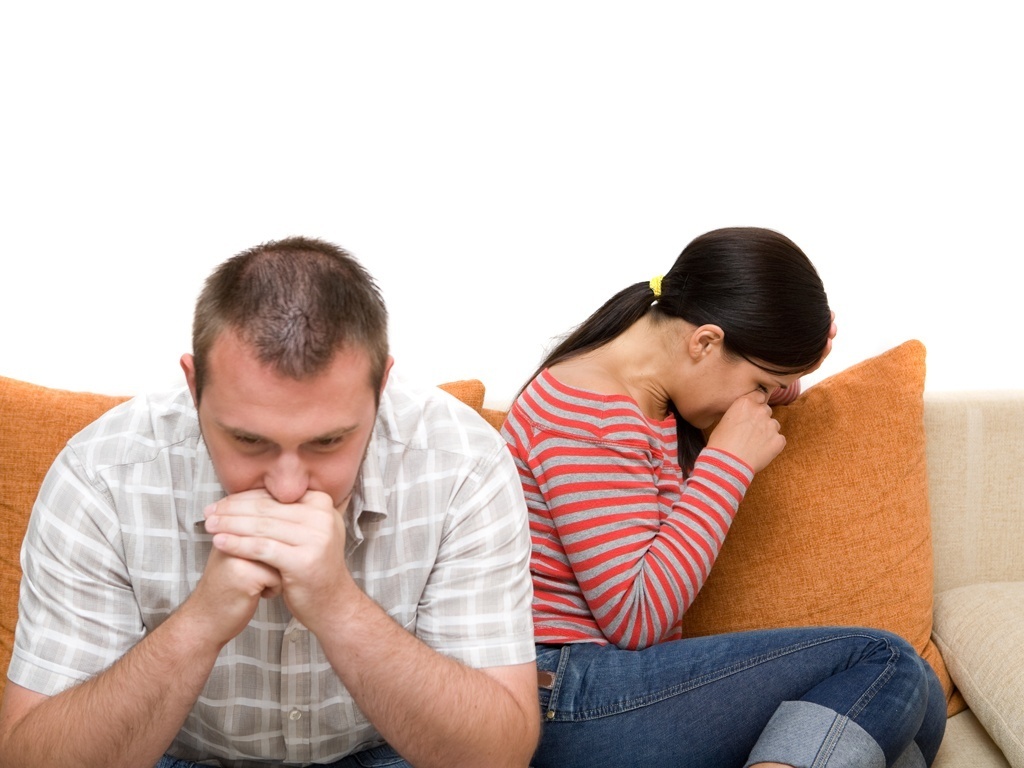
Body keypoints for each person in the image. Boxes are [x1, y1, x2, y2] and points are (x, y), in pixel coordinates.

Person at [0, 237, 540, 768]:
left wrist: (337, 605)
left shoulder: (465, 463)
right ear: (194, 386)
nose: (286, 488)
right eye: (248, 440)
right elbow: (29, 758)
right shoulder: (100, 475)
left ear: (380, 388)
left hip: (384, 751)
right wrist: (201, 623)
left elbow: (496, 756)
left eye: (328, 442)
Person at [501, 226, 947, 768]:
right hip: (562, 697)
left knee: (920, 696)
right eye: (762, 385)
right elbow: (635, 618)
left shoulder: (659, 382)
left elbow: (740, 374)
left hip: (604, 688)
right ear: (705, 342)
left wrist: (794, 361)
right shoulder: (587, 415)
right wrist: (728, 463)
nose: (763, 401)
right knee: (886, 664)